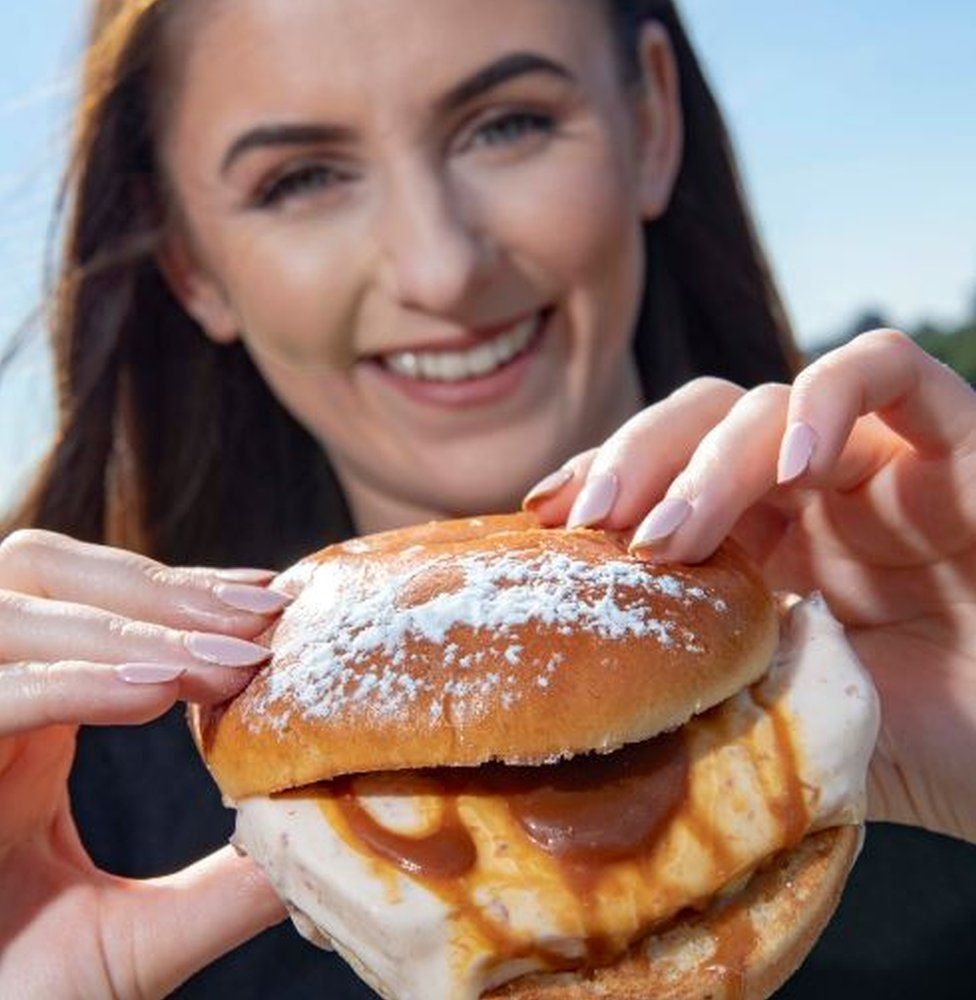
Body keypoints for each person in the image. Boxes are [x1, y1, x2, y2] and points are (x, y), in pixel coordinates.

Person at [0, 0, 972, 996]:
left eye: (507, 123)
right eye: (302, 178)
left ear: (651, 123)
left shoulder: (910, 645)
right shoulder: (70, 822)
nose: (442, 269)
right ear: (190, 263)